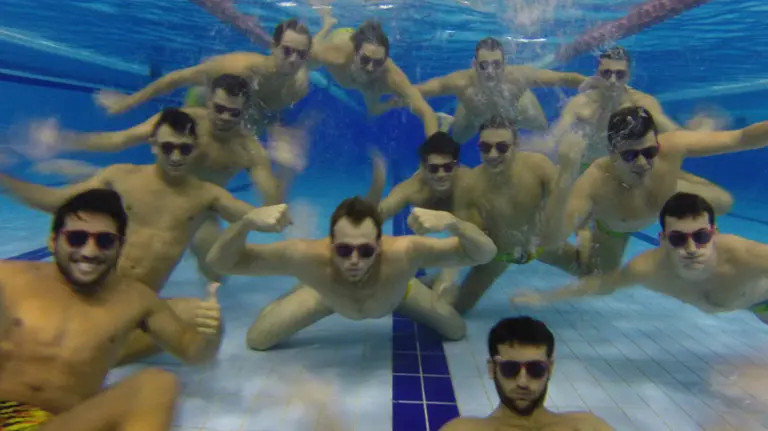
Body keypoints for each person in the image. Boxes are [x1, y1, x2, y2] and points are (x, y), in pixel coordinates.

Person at [0, 108, 260, 364]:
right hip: (92, 289)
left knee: (196, 316)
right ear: (153, 145)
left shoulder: (206, 195)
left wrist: (279, 180)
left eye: (185, 148)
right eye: (167, 147)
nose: (176, 156)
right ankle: (91, 347)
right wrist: (5, 182)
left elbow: (260, 217)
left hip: (137, 306)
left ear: (196, 148)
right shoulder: (121, 177)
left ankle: (97, 348)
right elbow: (57, 201)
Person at [0, 189, 222, 431]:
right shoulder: (9, 277)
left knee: (156, 385)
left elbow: (195, 352)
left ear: (120, 246)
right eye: (76, 238)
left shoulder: (135, 299)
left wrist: (212, 336)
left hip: (55, 424)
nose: (89, 252)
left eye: (104, 241)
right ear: (53, 241)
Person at [52, 75, 281, 282]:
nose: (225, 117)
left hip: (201, 210)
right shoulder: (183, 121)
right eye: (219, 108)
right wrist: (67, 139)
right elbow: (120, 140)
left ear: (245, 111)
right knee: (121, 257)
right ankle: (86, 174)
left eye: (234, 112)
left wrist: (282, 181)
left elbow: (271, 201)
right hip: (157, 193)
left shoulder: (248, 147)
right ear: (209, 100)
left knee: (216, 271)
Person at [206, 197, 498, 350]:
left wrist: (453, 223)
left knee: (456, 331)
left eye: (366, 251)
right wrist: (245, 224)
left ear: (380, 247)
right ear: (330, 245)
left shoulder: (404, 252)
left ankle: (431, 281)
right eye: (344, 251)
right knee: (257, 341)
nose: (355, 261)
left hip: (398, 293)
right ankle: (305, 288)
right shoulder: (305, 256)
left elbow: (485, 253)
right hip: (329, 295)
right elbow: (222, 263)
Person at [542, 106, 768, 274]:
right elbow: (555, 234)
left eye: (650, 152)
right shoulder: (594, 181)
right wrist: (566, 172)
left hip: (667, 193)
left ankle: (675, 179)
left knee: (725, 202)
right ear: (611, 151)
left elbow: (740, 138)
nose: (642, 162)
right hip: (616, 225)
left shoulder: (672, 145)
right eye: (630, 155)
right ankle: (588, 231)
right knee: (597, 276)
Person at [514, 192, 768, 325]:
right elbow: (601, 284)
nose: (691, 248)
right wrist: (544, 297)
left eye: (701, 236)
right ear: (663, 239)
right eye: (679, 239)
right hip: (743, 302)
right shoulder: (648, 268)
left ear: (715, 234)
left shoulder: (747, 256)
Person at [550, 46, 732, 213]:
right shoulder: (580, 105)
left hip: (633, 172)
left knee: (721, 201)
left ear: (628, 76)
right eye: (606, 73)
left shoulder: (642, 103)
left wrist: (701, 131)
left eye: (620, 75)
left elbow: (675, 135)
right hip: (591, 173)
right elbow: (554, 137)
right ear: (596, 74)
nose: (612, 81)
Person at [441, 116, 585, 314]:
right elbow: (466, 239)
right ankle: (425, 282)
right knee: (457, 309)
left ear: (516, 146)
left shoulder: (538, 166)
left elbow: (568, 205)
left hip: (542, 245)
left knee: (591, 273)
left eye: (502, 148)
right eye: (485, 147)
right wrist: (448, 277)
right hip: (500, 256)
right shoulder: (470, 186)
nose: (492, 154)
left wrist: (583, 233)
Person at [95, 18, 313, 134]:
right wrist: (127, 102)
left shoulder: (299, 87)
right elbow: (177, 78)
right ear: (273, 47)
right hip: (203, 100)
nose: (293, 59)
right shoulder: (239, 68)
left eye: (300, 54)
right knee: (183, 130)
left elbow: (270, 111)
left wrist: (281, 130)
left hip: (245, 116)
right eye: (286, 50)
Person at [381, 37, 588, 143]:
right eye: (484, 65)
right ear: (474, 64)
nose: (490, 72)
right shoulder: (462, 82)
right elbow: (424, 89)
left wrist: (593, 82)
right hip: (475, 116)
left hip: (517, 113)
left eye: (496, 65)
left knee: (544, 131)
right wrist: (392, 98)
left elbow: (561, 78)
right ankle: (448, 121)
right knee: (456, 141)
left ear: (504, 64)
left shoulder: (518, 77)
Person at [439, 316, 614, 430]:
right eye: (510, 369)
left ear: (549, 369)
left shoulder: (586, 427)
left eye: (535, 369)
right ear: (493, 369)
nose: (523, 381)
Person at [309, 15, 439, 137]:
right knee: (312, 62)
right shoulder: (337, 55)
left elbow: (427, 112)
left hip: (367, 80)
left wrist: (436, 154)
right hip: (342, 34)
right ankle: (328, 23)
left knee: (373, 110)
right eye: (365, 60)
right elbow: (308, 54)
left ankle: (393, 102)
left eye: (378, 62)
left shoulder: (390, 76)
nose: (371, 67)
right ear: (354, 55)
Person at [378, 132, 470, 220]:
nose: (441, 174)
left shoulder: (469, 183)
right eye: (433, 169)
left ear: (457, 166)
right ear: (423, 169)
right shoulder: (414, 188)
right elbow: (380, 212)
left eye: (447, 168)